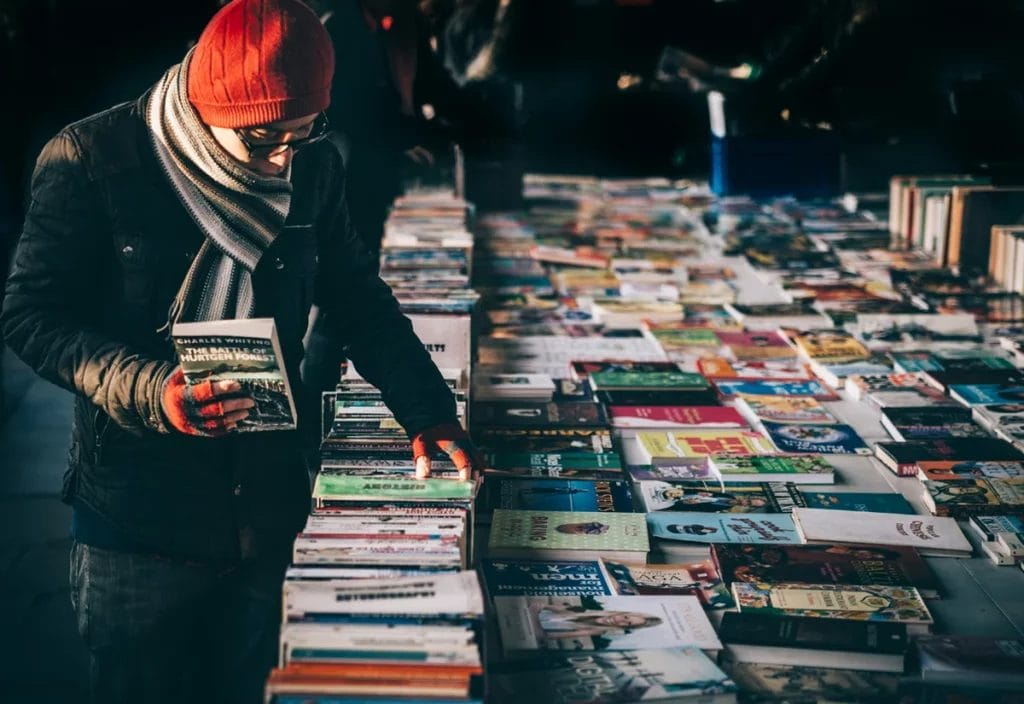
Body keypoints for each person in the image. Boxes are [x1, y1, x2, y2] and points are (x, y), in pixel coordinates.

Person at [0, 1, 479, 702]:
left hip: (266, 502)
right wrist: (152, 389)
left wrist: (426, 408)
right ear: (205, 106)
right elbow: (30, 315)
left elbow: (356, 297)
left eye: (304, 131)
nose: (284, 159)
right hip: (138, 519)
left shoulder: (311, 166)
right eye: (262, 141)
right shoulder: (91, 160)